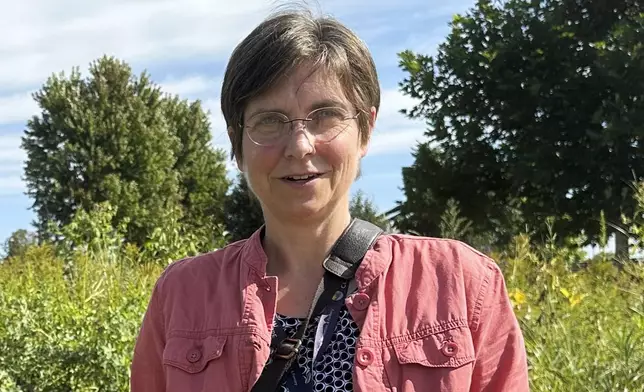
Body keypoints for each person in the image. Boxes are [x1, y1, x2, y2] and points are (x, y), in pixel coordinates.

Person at [130, 6, 530, 392]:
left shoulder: (461, 284)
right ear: (238, 144)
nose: (299, 145)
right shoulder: (181, 296)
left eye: (325, 115)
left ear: (366, 130)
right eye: (270, 120)